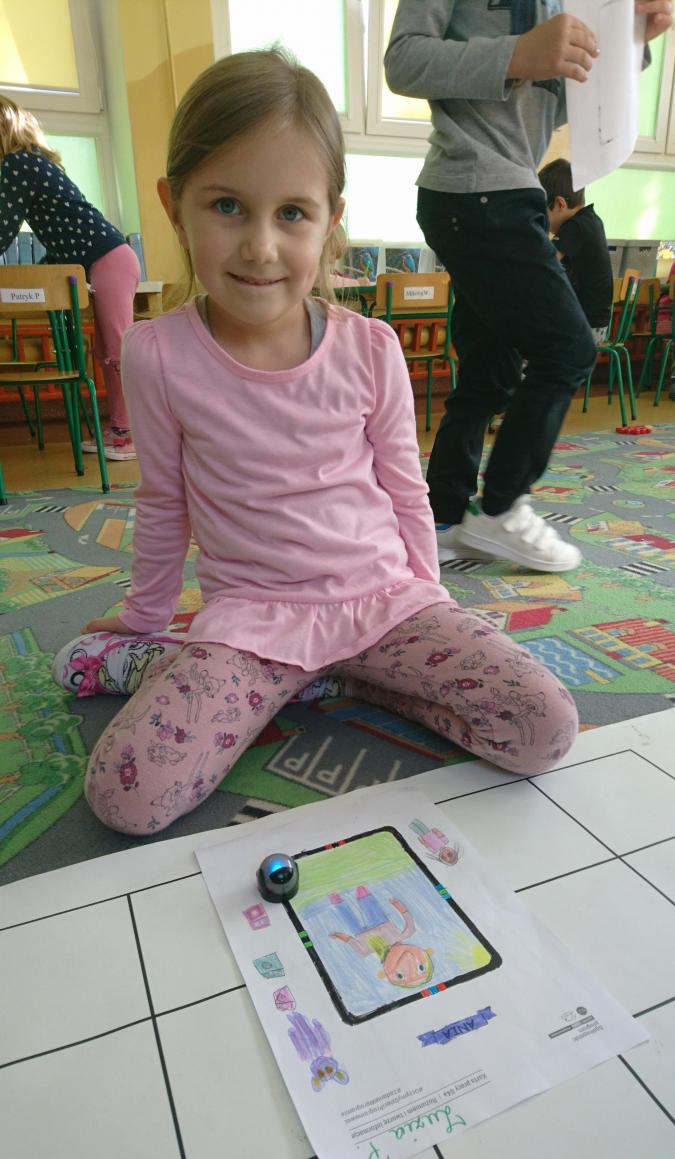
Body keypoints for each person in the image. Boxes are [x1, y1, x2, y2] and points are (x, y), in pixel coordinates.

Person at [52, 49, 579, 837]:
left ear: (330, 220)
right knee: (127, 795)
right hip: (252, 624)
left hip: (384, 605)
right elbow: (162, 502)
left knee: (543, 726)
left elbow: (404, 489)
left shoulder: (370, 348)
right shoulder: (157, 353)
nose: (260, 247)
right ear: (174, 207)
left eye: (291, 214)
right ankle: (194, 665)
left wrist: (428, 595)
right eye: (227, 206)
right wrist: (142, 620)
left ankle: (347, 681)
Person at [384, 1, 672, 572]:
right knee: (569, 348)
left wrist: (630, 40)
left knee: (489, 371)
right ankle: (501, 508)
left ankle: (443, 516)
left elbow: (563, 102)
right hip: (475, 187)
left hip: (506, 190)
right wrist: (518, 53)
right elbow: (404, 60)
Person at [0, 96, 140, 459]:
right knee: (105, 351)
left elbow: (2, 230)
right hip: (104, 259)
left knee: (117, 351)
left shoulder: (16, 164)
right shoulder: (32, 162)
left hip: (107, 259)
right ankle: (121, 429)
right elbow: (60, 234)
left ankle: (129, 435)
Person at [538, 158, 613, 345]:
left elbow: (544, 261)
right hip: (594, 323)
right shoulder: (590, 220)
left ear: (560, 204)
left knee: (526, 345)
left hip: (585, 325)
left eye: (543, 212)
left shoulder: (575, 226)